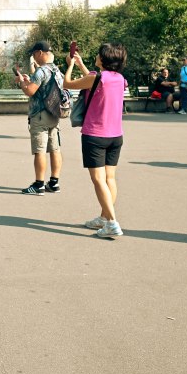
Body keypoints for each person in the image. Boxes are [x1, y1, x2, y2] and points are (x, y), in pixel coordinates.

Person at [63, 43, 128, 238]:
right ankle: (104, 217)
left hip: (95, 135)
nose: (97, 56)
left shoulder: (96, 78)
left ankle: (112, 222)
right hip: (115, 135)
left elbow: (67, 83)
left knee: (98, 179)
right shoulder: (119, 79)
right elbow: (95, 82)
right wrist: (81, 64)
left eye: (99, 54)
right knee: (109, 179)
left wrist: (70, 65)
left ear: (104, 59)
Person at [14, 41, 64, 195]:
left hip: (40, 115)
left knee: (40, 150)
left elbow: (30, 91)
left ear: (40, 53)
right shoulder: (56, 70)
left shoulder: (41, 71)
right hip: (54, 114)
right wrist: (29, 80)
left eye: (34, 53)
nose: (34, 56)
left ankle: (39, 184)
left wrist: (22, 82)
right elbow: (42, 88)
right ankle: (54, 183)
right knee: (55, 149)